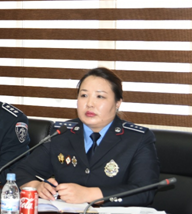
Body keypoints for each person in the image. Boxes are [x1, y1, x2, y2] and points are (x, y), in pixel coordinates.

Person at [15, 67, 160, 206]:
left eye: (100, 96)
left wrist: (90, 194)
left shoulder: (137, 139)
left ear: (117, 103)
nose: (90, 104)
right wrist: (36, 186)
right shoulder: (62, 133)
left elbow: (144, 191)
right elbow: (21, 172)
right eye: (84, 95)